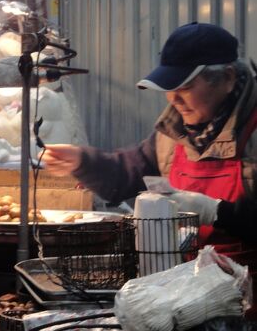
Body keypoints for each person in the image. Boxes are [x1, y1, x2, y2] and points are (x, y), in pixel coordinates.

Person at [41, 22, 257, 312]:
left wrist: (217, 211)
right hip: (188, 300)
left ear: (227, 79)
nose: (174, 99)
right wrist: (82, 161)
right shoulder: (173, 132)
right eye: (169, 89)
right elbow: (128, 173)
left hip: (248, 304)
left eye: (186, 87)